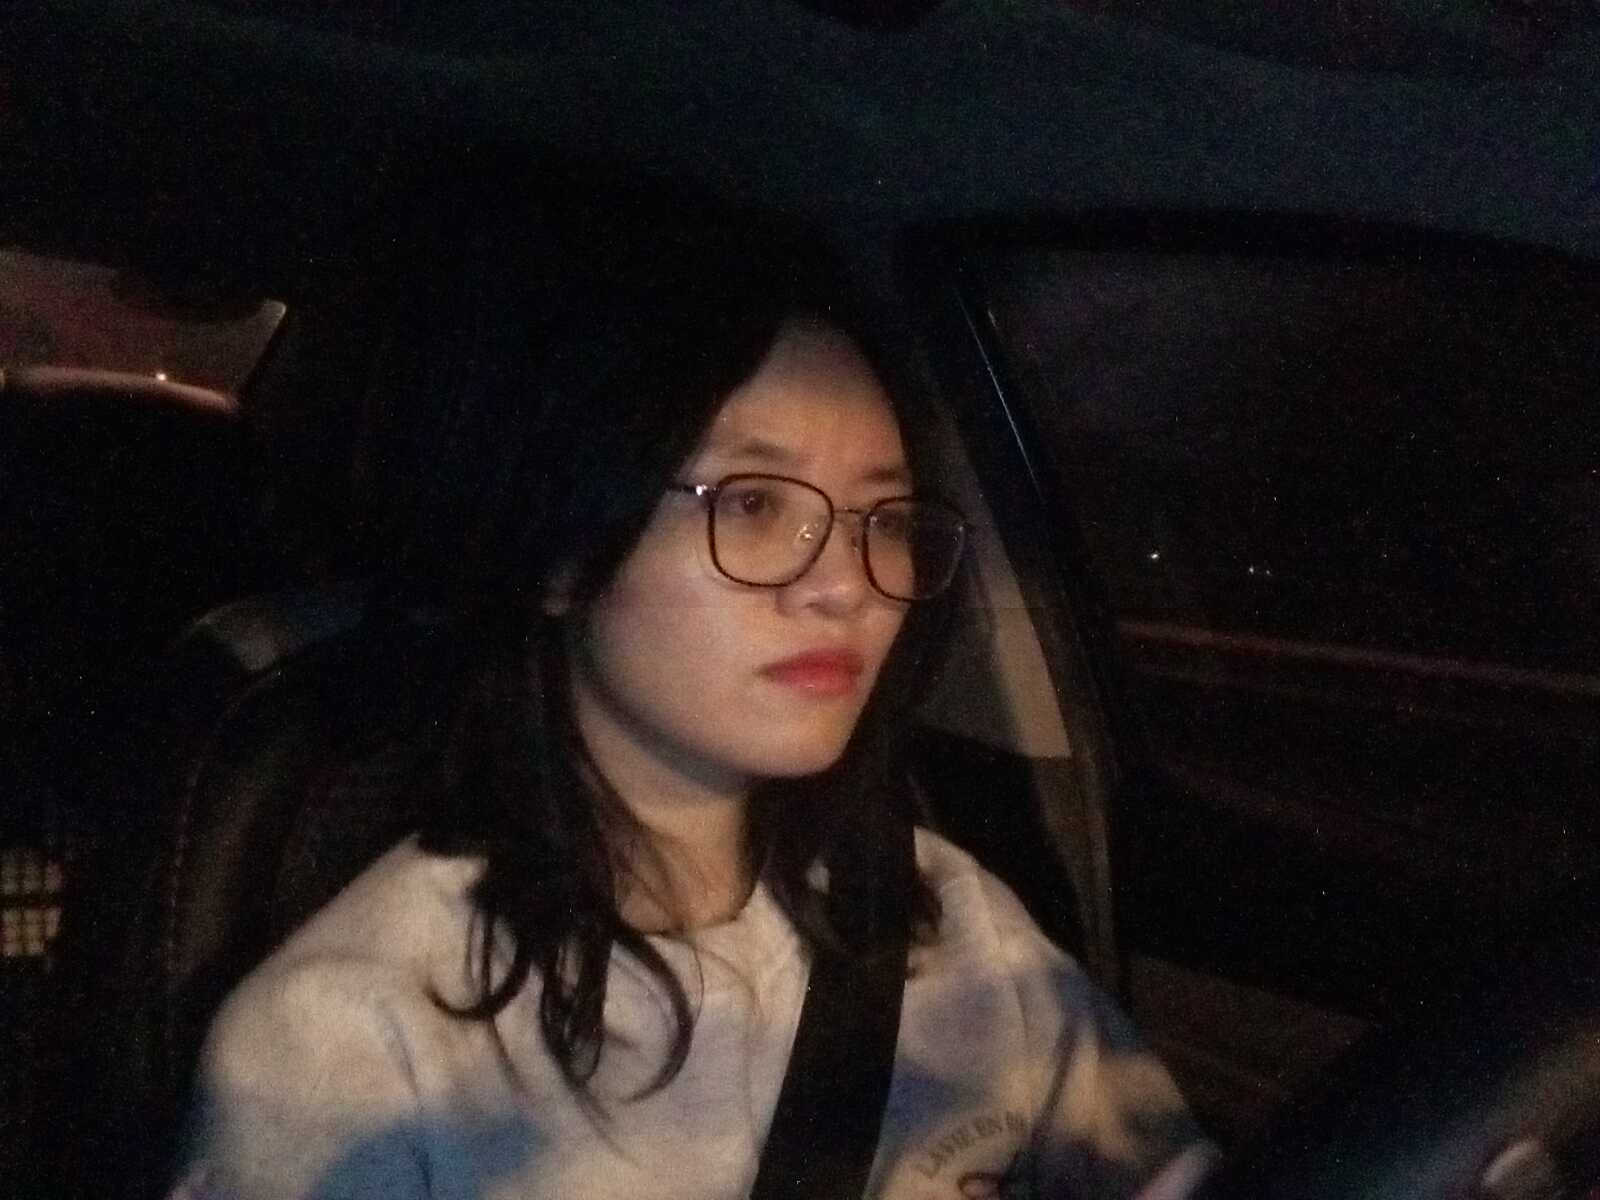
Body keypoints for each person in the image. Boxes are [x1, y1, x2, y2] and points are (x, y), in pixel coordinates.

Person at [168, 219, 1215, 1200]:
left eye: (884, 518)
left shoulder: (951, 922)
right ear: (565, 550)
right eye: (752, 504)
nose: (845, 584)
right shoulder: (352, 1044)